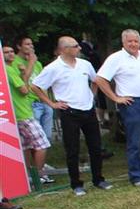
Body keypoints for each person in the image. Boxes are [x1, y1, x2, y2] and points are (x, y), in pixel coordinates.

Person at [31, 36, 113, 195]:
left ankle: (98, 179)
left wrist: (92, 95)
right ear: (64, 49)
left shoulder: (84, 64)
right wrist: (52, 103)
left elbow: (95, 80)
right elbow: (35, 86)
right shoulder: (53, 68)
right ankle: (76, 184)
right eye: (75, 46)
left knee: (95, 147)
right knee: (72, 149)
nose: (79, 48)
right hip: (70, 112)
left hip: (88, 109)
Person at [94, 29, 140, 187]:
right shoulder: (116, 58)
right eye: (130, 41)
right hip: (131, 103)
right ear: (123, 42)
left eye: (136, 41)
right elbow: (100, 79)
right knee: (134, 140)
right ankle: (136, 175)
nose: (133, 44)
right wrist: (115, 98)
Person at [5, 44, 52, 184]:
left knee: (26, 146)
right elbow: (24, 90)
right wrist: (30, 65)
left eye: (11, 51)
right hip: (23, 114)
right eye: (6, 52)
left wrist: (23, 73)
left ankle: (27, 176)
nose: (10, 54)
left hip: (20, 112)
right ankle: (40, 175)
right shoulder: (8, 69)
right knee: (42, 143)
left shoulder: (10, 69)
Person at [12, 36, 54, 143]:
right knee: (35, 139)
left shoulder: (37, 63)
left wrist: (47, 101)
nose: (31, 46)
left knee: (47, 137)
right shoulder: (14, 62)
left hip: (43, 101)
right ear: (19, 46)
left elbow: (42, 83)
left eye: (31, 44)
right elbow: (23, 81)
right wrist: (31, 62)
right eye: (27, 44)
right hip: (30, 103)